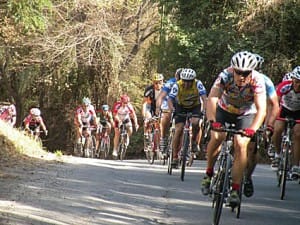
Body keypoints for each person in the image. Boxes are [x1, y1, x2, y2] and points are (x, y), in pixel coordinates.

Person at [201, 51, 267, 207]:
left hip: (246, 113)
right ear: (233, 70)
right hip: (224, 110)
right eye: (238, 72)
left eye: (245, 73)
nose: (241, 76)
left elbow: (261, 109)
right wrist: (212, 120)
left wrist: (252, 129)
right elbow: (212, 98)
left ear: (251, 72)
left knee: (241, 143)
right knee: (217, 137)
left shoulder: (258, 80)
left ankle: (235, 189)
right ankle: (209, 173)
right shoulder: (225, 75)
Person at [244, 53, 279, 198]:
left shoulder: (266, 81)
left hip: (256, 114)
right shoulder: (236, 77)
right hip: (237, 111)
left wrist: (269, 126)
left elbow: (273, 105)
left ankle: (247, 178)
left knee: (252, 150)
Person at [168, 68, 207, 166]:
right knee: (178, 130)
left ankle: (194, 142)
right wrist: (172, 108)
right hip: (181, 106)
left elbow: (204, 98)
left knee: (195, 123)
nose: (187, 84)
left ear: (193, 80)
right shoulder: (177, 85)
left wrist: (205, 109)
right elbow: (170, 99)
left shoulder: (198, 84)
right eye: (185, 81)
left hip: (195, 106)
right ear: (182, 80)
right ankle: (175, 157)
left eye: (189, 82)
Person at [271, 66, 300, 177]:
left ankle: (296, 166)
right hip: (284, 109)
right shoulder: (285, 86)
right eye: (296, 82)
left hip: (298, 111)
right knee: (278, 129)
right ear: (292, 79)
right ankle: (277, 154)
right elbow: (275, 103)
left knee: (298, 134)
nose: (298, 85)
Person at [155, 68, 183, 154]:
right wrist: (158, 107)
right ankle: (163, 138)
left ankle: (184, 147)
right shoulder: (170, 83)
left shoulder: (193, 84)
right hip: (169, 101)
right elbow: (161, 96)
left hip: (182, 103)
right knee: (166, 115)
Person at [142, 73, 164, 152]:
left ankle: (159, 145)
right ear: (153, 82)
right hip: (150, 106)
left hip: (161, 107)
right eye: (155, 82)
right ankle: (146, 135)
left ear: (162, 82)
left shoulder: (166, 89)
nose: (158, 84)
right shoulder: (149, 89)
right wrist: (144, 115)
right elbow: (144, 103)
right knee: (148, 119)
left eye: (159, 82)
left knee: (159, 125)